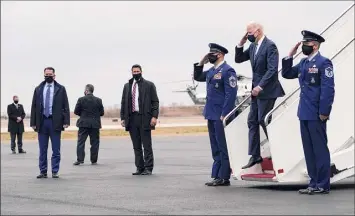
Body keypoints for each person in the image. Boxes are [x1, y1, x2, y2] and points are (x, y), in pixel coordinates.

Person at [282, 30, 334, 195]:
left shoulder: (324, 63)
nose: (304, 46)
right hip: (304, 112)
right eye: (303, 43)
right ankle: (313, 182)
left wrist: (324, 111)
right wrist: (289, 56)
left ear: (315, 45)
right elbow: (287, 73)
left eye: (307, 43)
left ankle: (323, 184)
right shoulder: (304, 63)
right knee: (309, 150)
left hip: (317, 113)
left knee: (319, 149)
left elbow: (328, 89)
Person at [234, 22, 285, 169]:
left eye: (249, 33)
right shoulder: (253, 47)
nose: (247, 35)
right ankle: (255, 155)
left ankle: (277, 150)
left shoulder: (270, 46)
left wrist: (260, 86)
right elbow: (238, 59)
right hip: (256, 92)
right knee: (252, 121)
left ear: (257, 31)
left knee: (264, 120)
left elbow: (272, 69)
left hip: (268, 90)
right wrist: (241, 43)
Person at [194, 43, 237, 186]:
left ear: (221, 55)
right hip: (211, 113)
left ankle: (224, 176)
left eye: (213, 54)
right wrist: (201, 62)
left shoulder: (228, 71)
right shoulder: (212, 71)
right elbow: (198, 76)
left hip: (220, 114)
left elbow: (230, 95)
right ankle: (217, 175)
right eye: (210, 53)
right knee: (215, 145)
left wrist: (225, 114)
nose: (210, 56)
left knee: (222, 145)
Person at [30, 67, 70, 179]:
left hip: (55, 122)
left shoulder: (60, 89)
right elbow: (34, 106)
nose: (48, 76)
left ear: (54, 75)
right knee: (42, 149)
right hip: (42, 122)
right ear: (44, 75)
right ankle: (43, 171)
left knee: (56, 149)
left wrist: (66, 121)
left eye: (50, 74)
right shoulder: (38, 89)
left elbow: (65, 105)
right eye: (46, 74)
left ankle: (55, 171)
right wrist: (33, 122)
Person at [120, 64, 159, 175]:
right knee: (136, 145)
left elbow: (155, 102)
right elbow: (123, 102)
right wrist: (123, 118)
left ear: (141, 71)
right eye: (134, 71)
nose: (136, 73)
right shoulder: (127, 86)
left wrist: (154, 116)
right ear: (131, 72)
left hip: (145, 118)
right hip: (132, 119)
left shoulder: (149, 85)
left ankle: (148, 168)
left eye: (138, 71)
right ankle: (139, 167)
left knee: (146, 145)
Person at [73, 84, 104, 165]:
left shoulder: (81, 99)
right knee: (95, 143)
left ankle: (80, 160)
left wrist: (83, 115)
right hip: (95, 124)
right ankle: (94, 160)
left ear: (86, 90)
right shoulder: (99, 100)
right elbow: (102, 113)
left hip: (83, 124)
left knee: (81, 142)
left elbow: (76, 111)